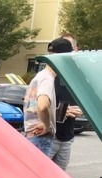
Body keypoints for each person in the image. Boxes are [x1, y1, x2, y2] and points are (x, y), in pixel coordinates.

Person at [23, 42, 64, 157]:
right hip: (40, 137)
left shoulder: (40, 76)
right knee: (38, 174)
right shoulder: (47, 79)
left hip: (33, 134)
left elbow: (36, 106)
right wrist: (47, 125)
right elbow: (42, 106)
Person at [49, 35, 83, 170]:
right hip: (49, 137)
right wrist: (61, 111)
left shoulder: (76, 77)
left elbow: (77, 103)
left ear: (75, 49)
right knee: (39, 176)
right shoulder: (48, 76)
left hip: (67, 138)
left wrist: (80, 110)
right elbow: (33, 107)